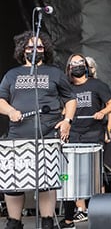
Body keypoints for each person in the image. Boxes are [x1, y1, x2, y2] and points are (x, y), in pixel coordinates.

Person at [0, 32, 77, 229]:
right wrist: (10, 111)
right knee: (13, 182)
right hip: (17, 137)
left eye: (40, 47)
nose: (35, 50)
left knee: (47, 181)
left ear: (46, 50)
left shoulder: (55, 73)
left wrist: (67, 120)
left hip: (48, 135)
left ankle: (47, 221)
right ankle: (14, 222)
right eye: (31, 47)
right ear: (23, 50)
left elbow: (70, 99)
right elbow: (1, 100)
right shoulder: (12, 75)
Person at [59, 53, 111, 229]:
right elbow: (62, 109)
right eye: (73, 63)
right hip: (72, 136)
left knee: (95, 176)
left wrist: (103, 113)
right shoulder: (66, 87)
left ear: (85, 66)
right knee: (68, 177)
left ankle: (99, 215)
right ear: (68, 68)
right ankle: (69, 219)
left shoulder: (97, 85)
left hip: (93, 136)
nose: (77, 65)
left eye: (80, 62)